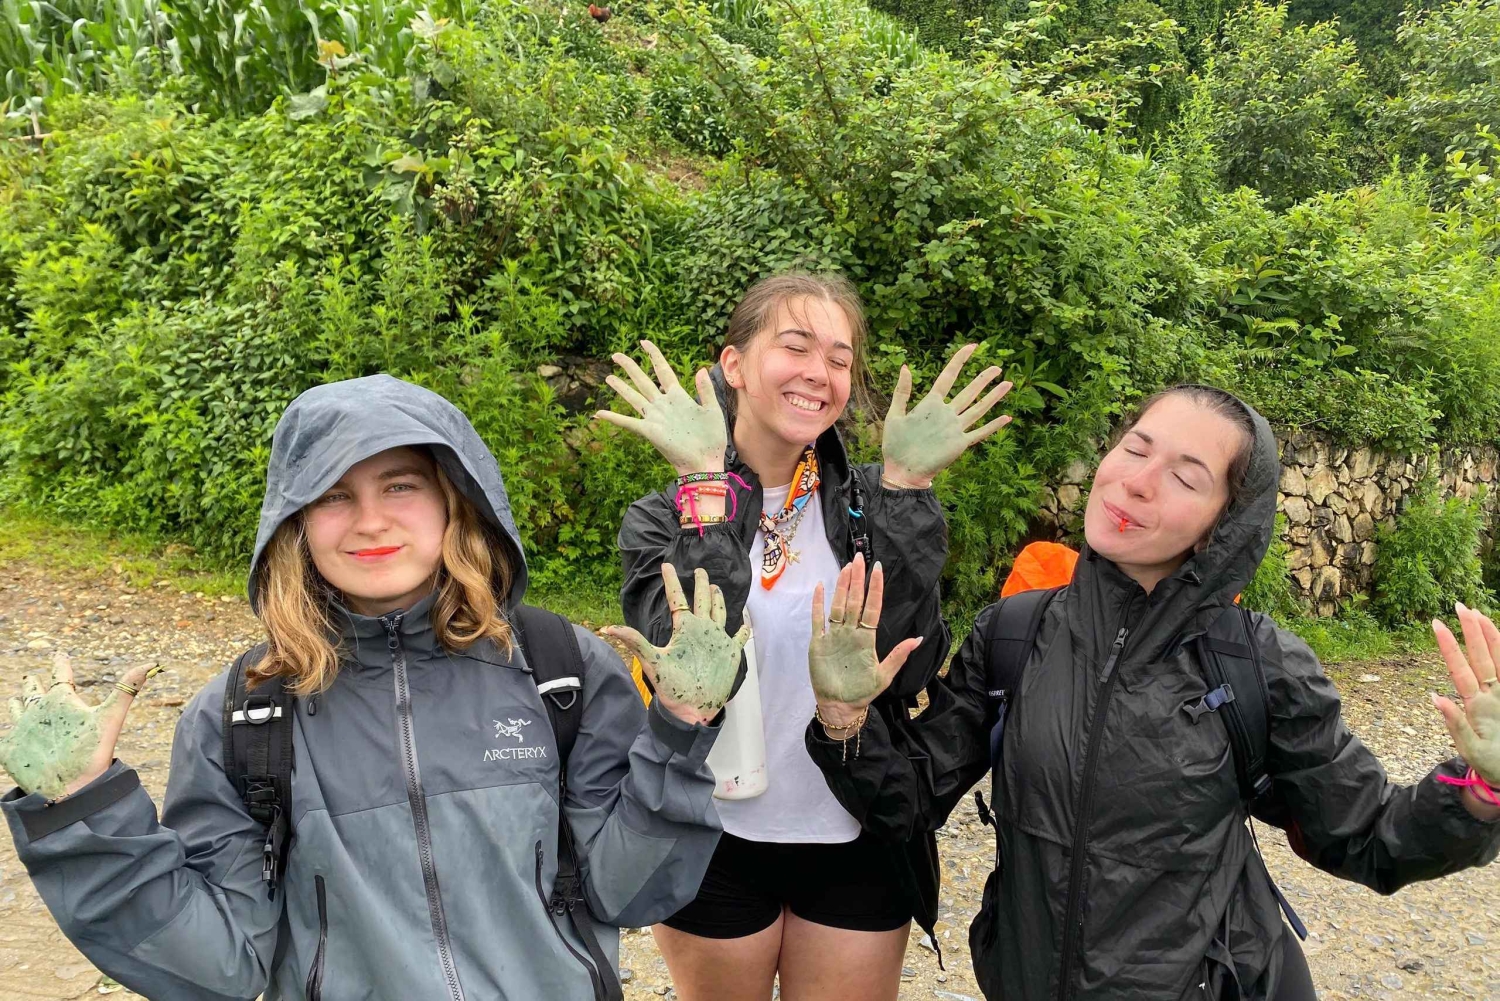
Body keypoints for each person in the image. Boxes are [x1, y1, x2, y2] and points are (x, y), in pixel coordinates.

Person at [0, 374, 747, 1001]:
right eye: (333, 495)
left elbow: (630, 892)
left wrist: (679, 730)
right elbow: (217, 966)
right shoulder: (242, 716)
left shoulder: (562, 671)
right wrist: (86, 814)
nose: (370, 520)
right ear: (294, 520)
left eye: (400, 485)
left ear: (456, 498)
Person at [805, 384, 1500, 1001]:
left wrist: (1479, 790)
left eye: (1185, 477)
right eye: (1135, 449)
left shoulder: (1254, 664)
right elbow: (909, 800)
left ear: (1222, 527)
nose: (1137, 482)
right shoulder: (1014, 634)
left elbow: (1369, 835)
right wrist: (844, 720)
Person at [598, 270, 1013, 1001]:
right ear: (734, 365)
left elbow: (912, 669)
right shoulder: (663, 517)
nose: (820, 372)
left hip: (853, 828)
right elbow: (698, 680)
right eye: (796, 346)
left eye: (840, 358)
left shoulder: (874, 506)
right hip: (712, 833)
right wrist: (704, 484)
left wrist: (907, 492)